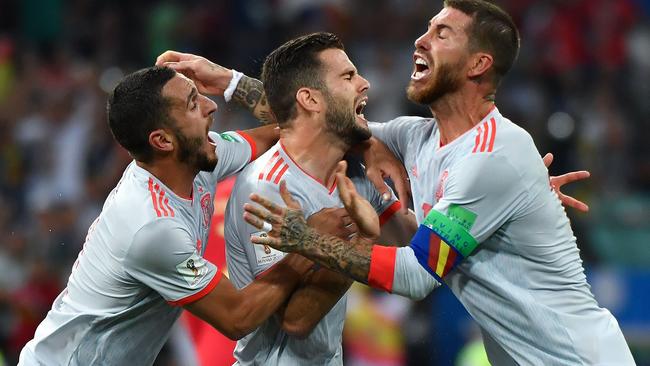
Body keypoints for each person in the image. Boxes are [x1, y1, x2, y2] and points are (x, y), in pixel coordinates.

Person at [241, 1, 636, 364]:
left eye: (441, 34)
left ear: (477, 64)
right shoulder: (418, 137)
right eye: (427, 28)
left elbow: (415, 276)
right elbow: (316, 115)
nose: (420, 39)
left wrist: (307, 240)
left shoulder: (494, 155)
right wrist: (229, 83)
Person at [17, 66, 315, 366]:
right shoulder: (152, 227)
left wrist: (230, 82)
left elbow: (289, 130)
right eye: (193, 103)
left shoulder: (197, 157)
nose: (211, 106)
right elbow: (237, 316)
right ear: (162, 141)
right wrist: (310, 244)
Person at [223, 33, 415, 365]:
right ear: (310, 100)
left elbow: (415, 247)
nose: (365, 83)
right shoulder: (268, 186)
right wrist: (359, 238)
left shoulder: (345, 181)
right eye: (348, 76)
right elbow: (296, 319)